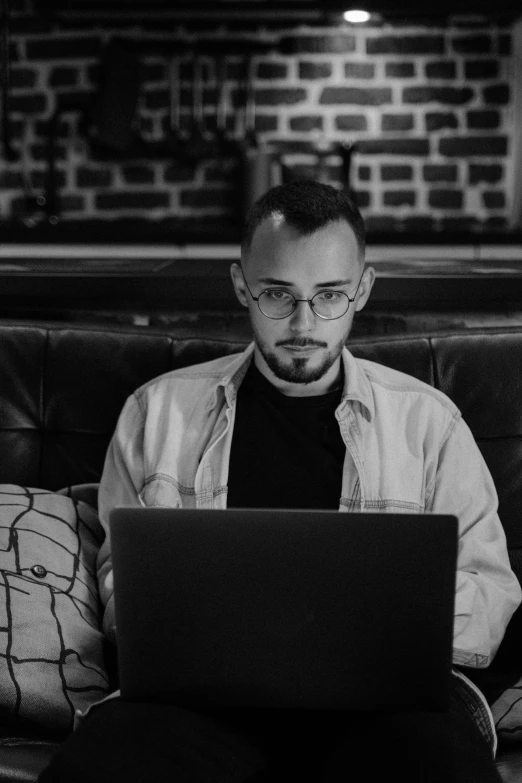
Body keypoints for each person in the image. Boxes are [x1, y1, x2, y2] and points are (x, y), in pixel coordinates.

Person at [39, 180, 521, 783]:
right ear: (241, 284)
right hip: (199, 700)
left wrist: (372, 632)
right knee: (100, 767)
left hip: (386, 704)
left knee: (438, 766)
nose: (302, 322)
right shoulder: (155, 412)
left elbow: (489, 591)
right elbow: (120, 579)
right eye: (276, 294)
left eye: (329, 296)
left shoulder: (429, 423)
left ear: (363, 290)